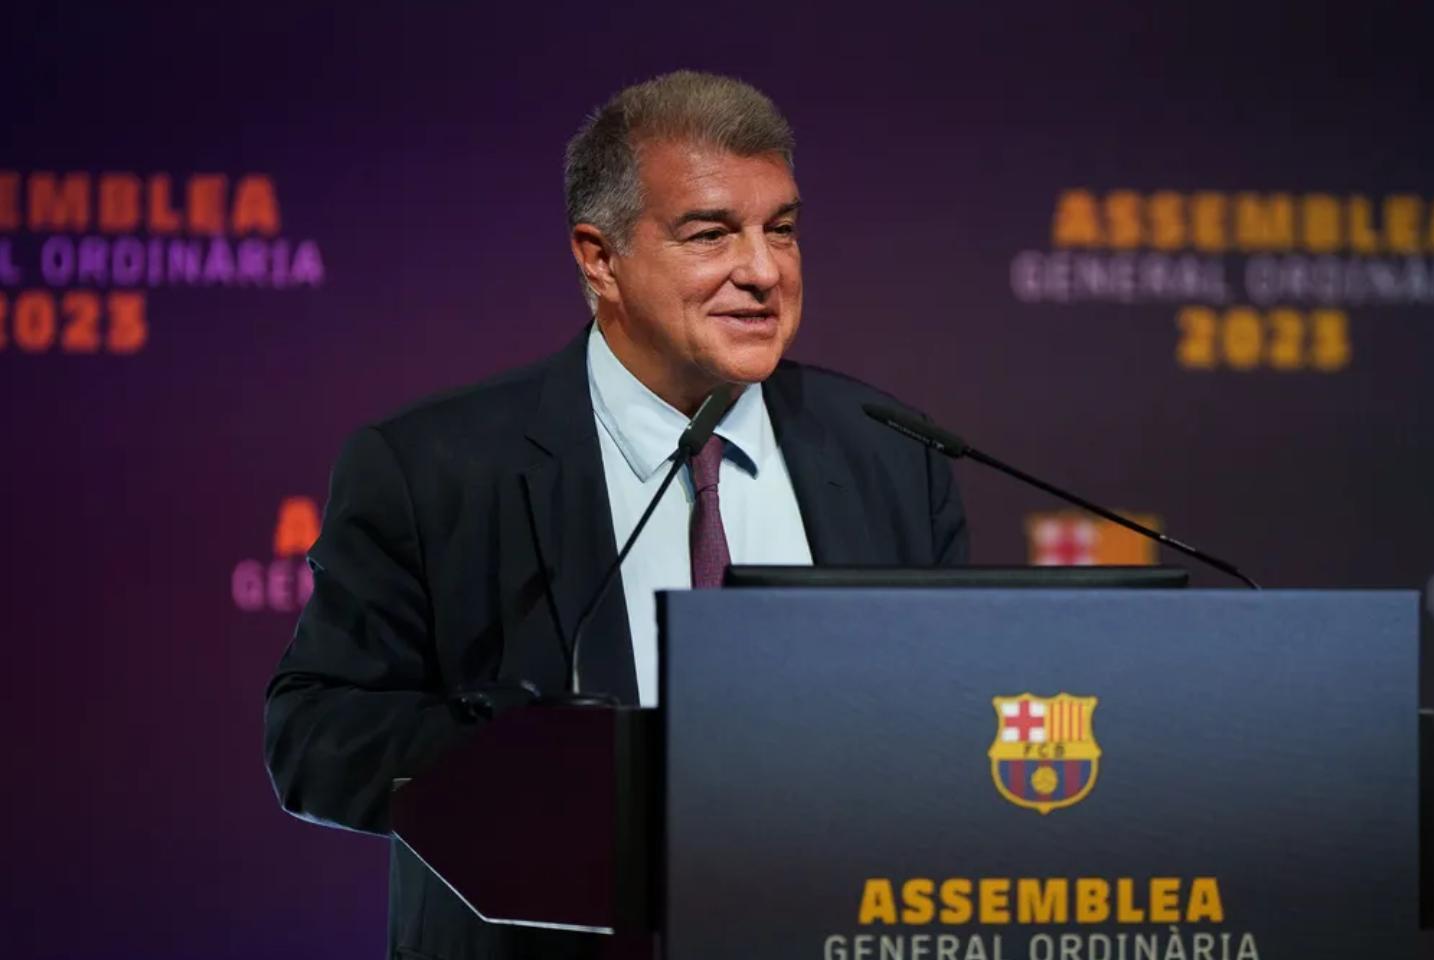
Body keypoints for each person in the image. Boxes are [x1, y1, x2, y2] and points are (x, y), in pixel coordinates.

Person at [263, 70, 968, 960]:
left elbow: (951, 730)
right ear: (599, 257)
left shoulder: (892, 457)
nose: (762, 271)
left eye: (780, 231)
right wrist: (547, 771)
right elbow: (316, 737)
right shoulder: (433, 471)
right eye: (711, 234)